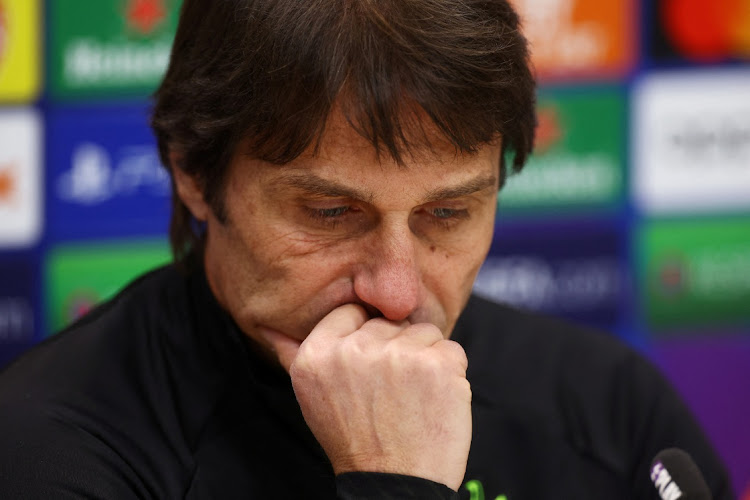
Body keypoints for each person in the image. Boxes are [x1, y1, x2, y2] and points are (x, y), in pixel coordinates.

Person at [0, 0, 734, 498]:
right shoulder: (52, 454)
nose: (396, 291)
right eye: (329, 212)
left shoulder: (608, 409)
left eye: (448, 213)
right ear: (193, 169)